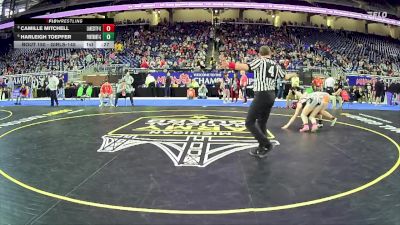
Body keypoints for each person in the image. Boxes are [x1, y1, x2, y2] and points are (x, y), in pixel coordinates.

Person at [220, 45, 297, 158]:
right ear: (270, 53)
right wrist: (294, 74)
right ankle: (262, 147)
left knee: (249, 122)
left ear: (260, 54)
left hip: (262, 94)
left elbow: (244, 66)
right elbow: (285, 77)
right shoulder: (275, 64)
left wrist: (229, 64)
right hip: (271, 95)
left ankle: (267, 144)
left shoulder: (260, 61)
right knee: (261, 123)